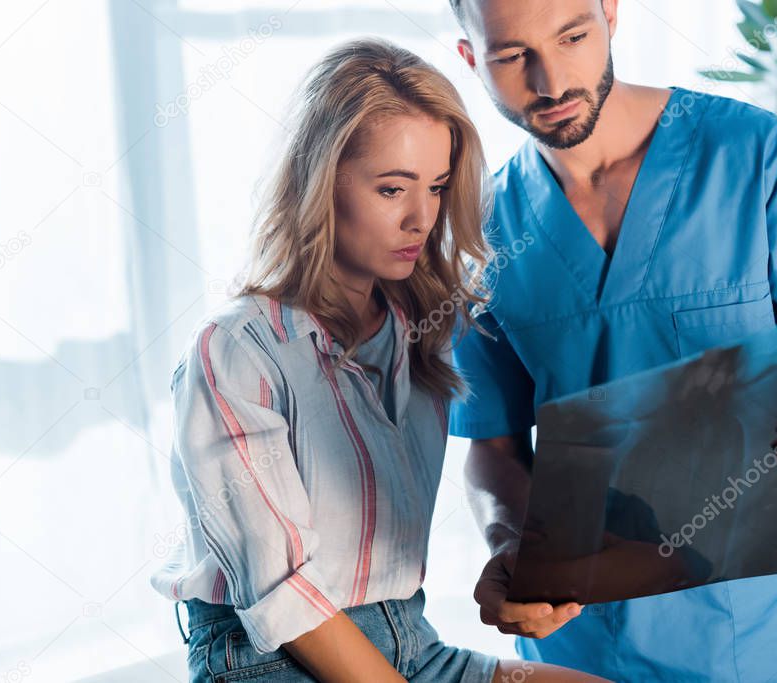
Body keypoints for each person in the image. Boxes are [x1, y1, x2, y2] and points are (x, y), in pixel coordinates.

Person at [445, 0, 777, 680]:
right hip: (580, 652)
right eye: (509, 55)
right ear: (469, 57)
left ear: (611, 12)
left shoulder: (759, 158)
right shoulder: (487, 236)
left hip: (766, 637)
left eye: (572, 35)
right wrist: (507, 541)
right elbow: (491, 444)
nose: (550, 80)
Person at [149, 37, 605, 683]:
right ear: (319, 180)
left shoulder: (418, 331)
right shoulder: (237, 350)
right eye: (392, 189)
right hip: (276, 659)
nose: (421, 218)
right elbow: (285, 599)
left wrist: (514, 560)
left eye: (438, 188)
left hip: (410, 641)